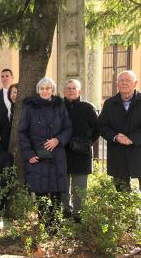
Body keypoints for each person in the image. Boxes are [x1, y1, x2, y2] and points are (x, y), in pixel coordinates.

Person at [18, 77, 72, 227]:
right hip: (37, 156)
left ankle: (55, 227)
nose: (45, 91)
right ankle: (44, 225)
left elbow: (68, 128)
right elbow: (22, 132)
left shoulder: (60, 105)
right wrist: (29, 154)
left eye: (48, 88)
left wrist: (58, 140)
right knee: (40, 193)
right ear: (38, 91)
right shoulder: (30, 107)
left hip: (56, 156)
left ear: (52, 90)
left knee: (56, 193)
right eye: (42, 88)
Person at [61, 79, 99, 221]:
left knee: (80, 187)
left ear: (79, 91)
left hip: (81, 154)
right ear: (64, 91)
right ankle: (65, 212)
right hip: (62, 153)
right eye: (68, 88)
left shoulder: (87, 108)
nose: (71, 90)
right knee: (63, 186)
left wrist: (87, 142)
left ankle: (78, 215)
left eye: (74, 88)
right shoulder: (59, 107)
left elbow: (97, 128)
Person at [98, 70, 141, 192]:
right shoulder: (109, 103)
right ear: (117, 84)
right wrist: (116, 137)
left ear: (135, 83)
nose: (124, 83)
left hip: (139, 151)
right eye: (121, 80)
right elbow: (101, 125)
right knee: (122, 194)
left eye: (128, 80)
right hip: (118, 153)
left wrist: (132, 138)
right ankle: (126, 212)